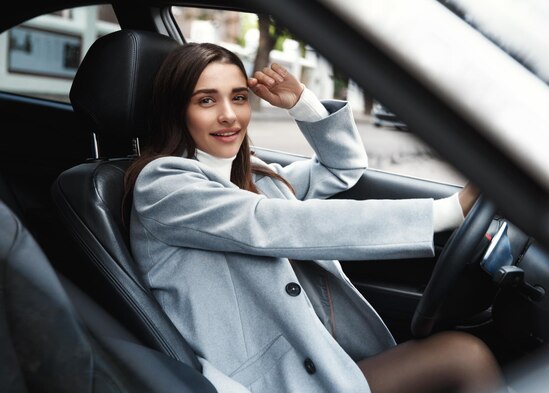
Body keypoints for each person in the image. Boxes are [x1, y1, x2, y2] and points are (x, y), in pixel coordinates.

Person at [123, 42, 502, 393]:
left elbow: (343, 169)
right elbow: (273, 224)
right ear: (177, 111)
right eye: (206, 101)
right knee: (463, 356)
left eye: (238, 98)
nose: (229, 115)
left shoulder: (252, 174)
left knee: (462, 353)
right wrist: (449, 210)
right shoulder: (164, 185)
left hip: (318, 359)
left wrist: (302, 105)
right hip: (267, 382)